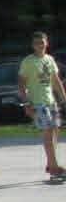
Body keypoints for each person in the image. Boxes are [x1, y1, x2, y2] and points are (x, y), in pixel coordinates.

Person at [19, 30, 66, 181]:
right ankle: (55, 169)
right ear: (32, 45)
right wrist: (26, 103)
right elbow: (21, 84)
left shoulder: (49, 59)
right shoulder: (28, 61)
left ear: (47, 43)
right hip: (38, 103)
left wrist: (63, 99)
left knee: (55, 132)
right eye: (36, 43)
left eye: (42, 42)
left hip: (51, 102)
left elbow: (56, 81)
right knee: (48, 135)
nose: (39, 45)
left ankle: (50, 163)